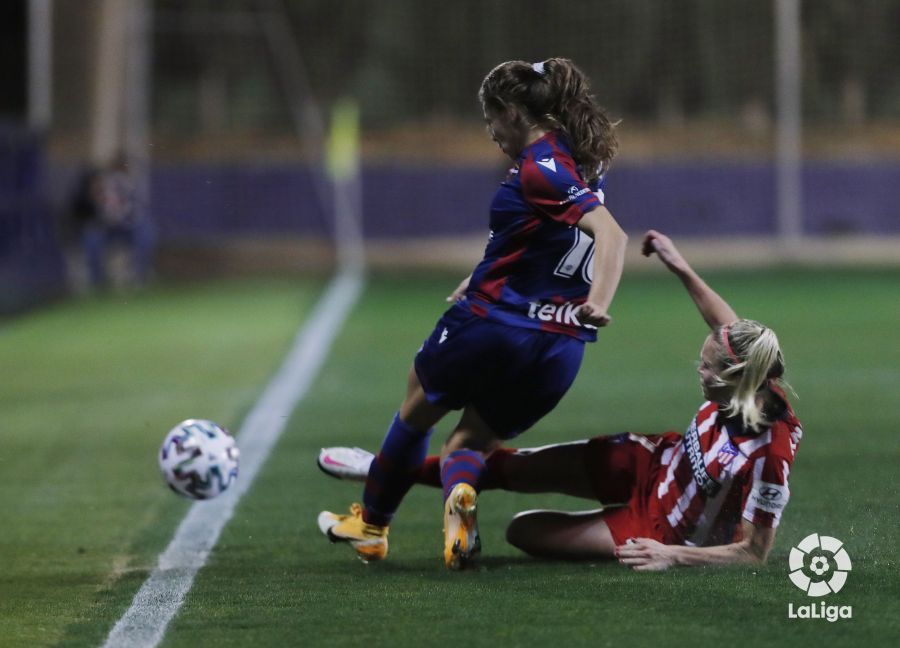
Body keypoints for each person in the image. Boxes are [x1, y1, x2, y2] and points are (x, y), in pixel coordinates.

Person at [318, 230, 803, 570]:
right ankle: (386, 469)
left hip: (658, 527)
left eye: (708, 368)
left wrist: (671, 555)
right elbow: (725, 326)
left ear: (739, 379)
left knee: (522, 532)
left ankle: (387, 469)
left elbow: (752, 553)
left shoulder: (768, 452)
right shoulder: (751, 367)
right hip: (649, 462)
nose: (699, 369)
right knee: (506, 466)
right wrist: (680, 265)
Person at [318, 58, 627, 570]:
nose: (490, 132)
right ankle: (460, 496)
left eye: (491, 119)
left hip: (495, 324)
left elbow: (611, 235)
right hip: (560, 348)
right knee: (473, 439)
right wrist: (487, 272)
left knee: (416, 408)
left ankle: (371, 527)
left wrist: (601, 301)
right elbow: (544, 237)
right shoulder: (581, 159)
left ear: (512, 111)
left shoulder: (541, 166)